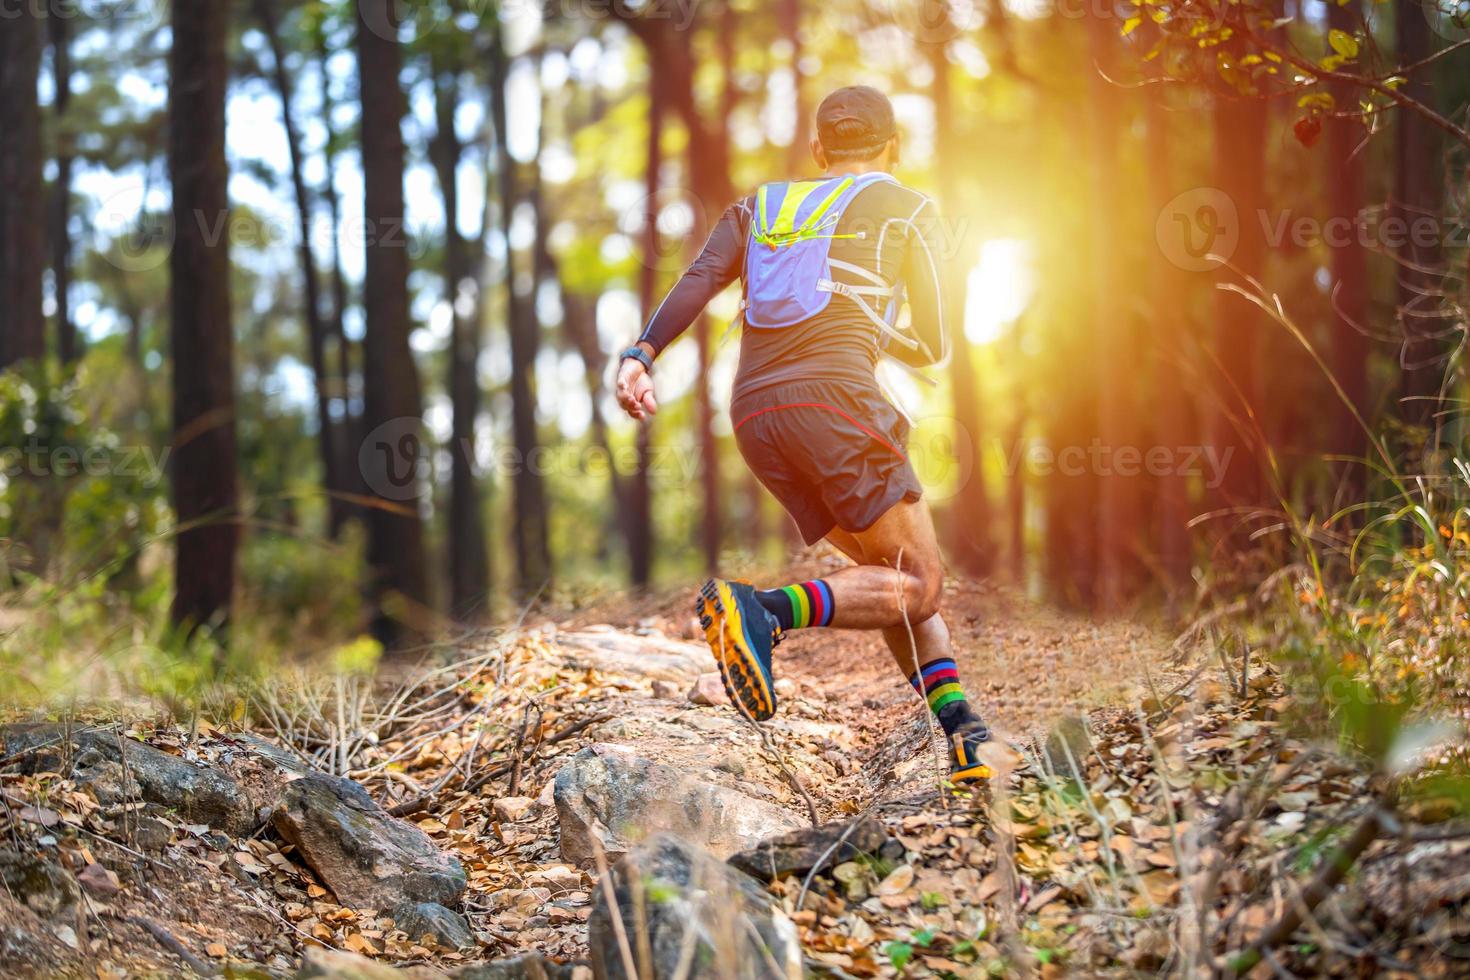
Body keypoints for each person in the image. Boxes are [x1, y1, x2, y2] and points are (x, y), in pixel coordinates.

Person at [614, 85, 992, 783]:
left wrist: (641, 354)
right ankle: (762, 610)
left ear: (818, 151)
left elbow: (701, 277)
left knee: (892, 579)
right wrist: (884, 329)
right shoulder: (907, 207)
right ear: (892, 148)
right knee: (924, 583)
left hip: (756, 414)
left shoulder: (761, 205)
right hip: (837, 405)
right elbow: (935, 339)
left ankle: (968, 739)